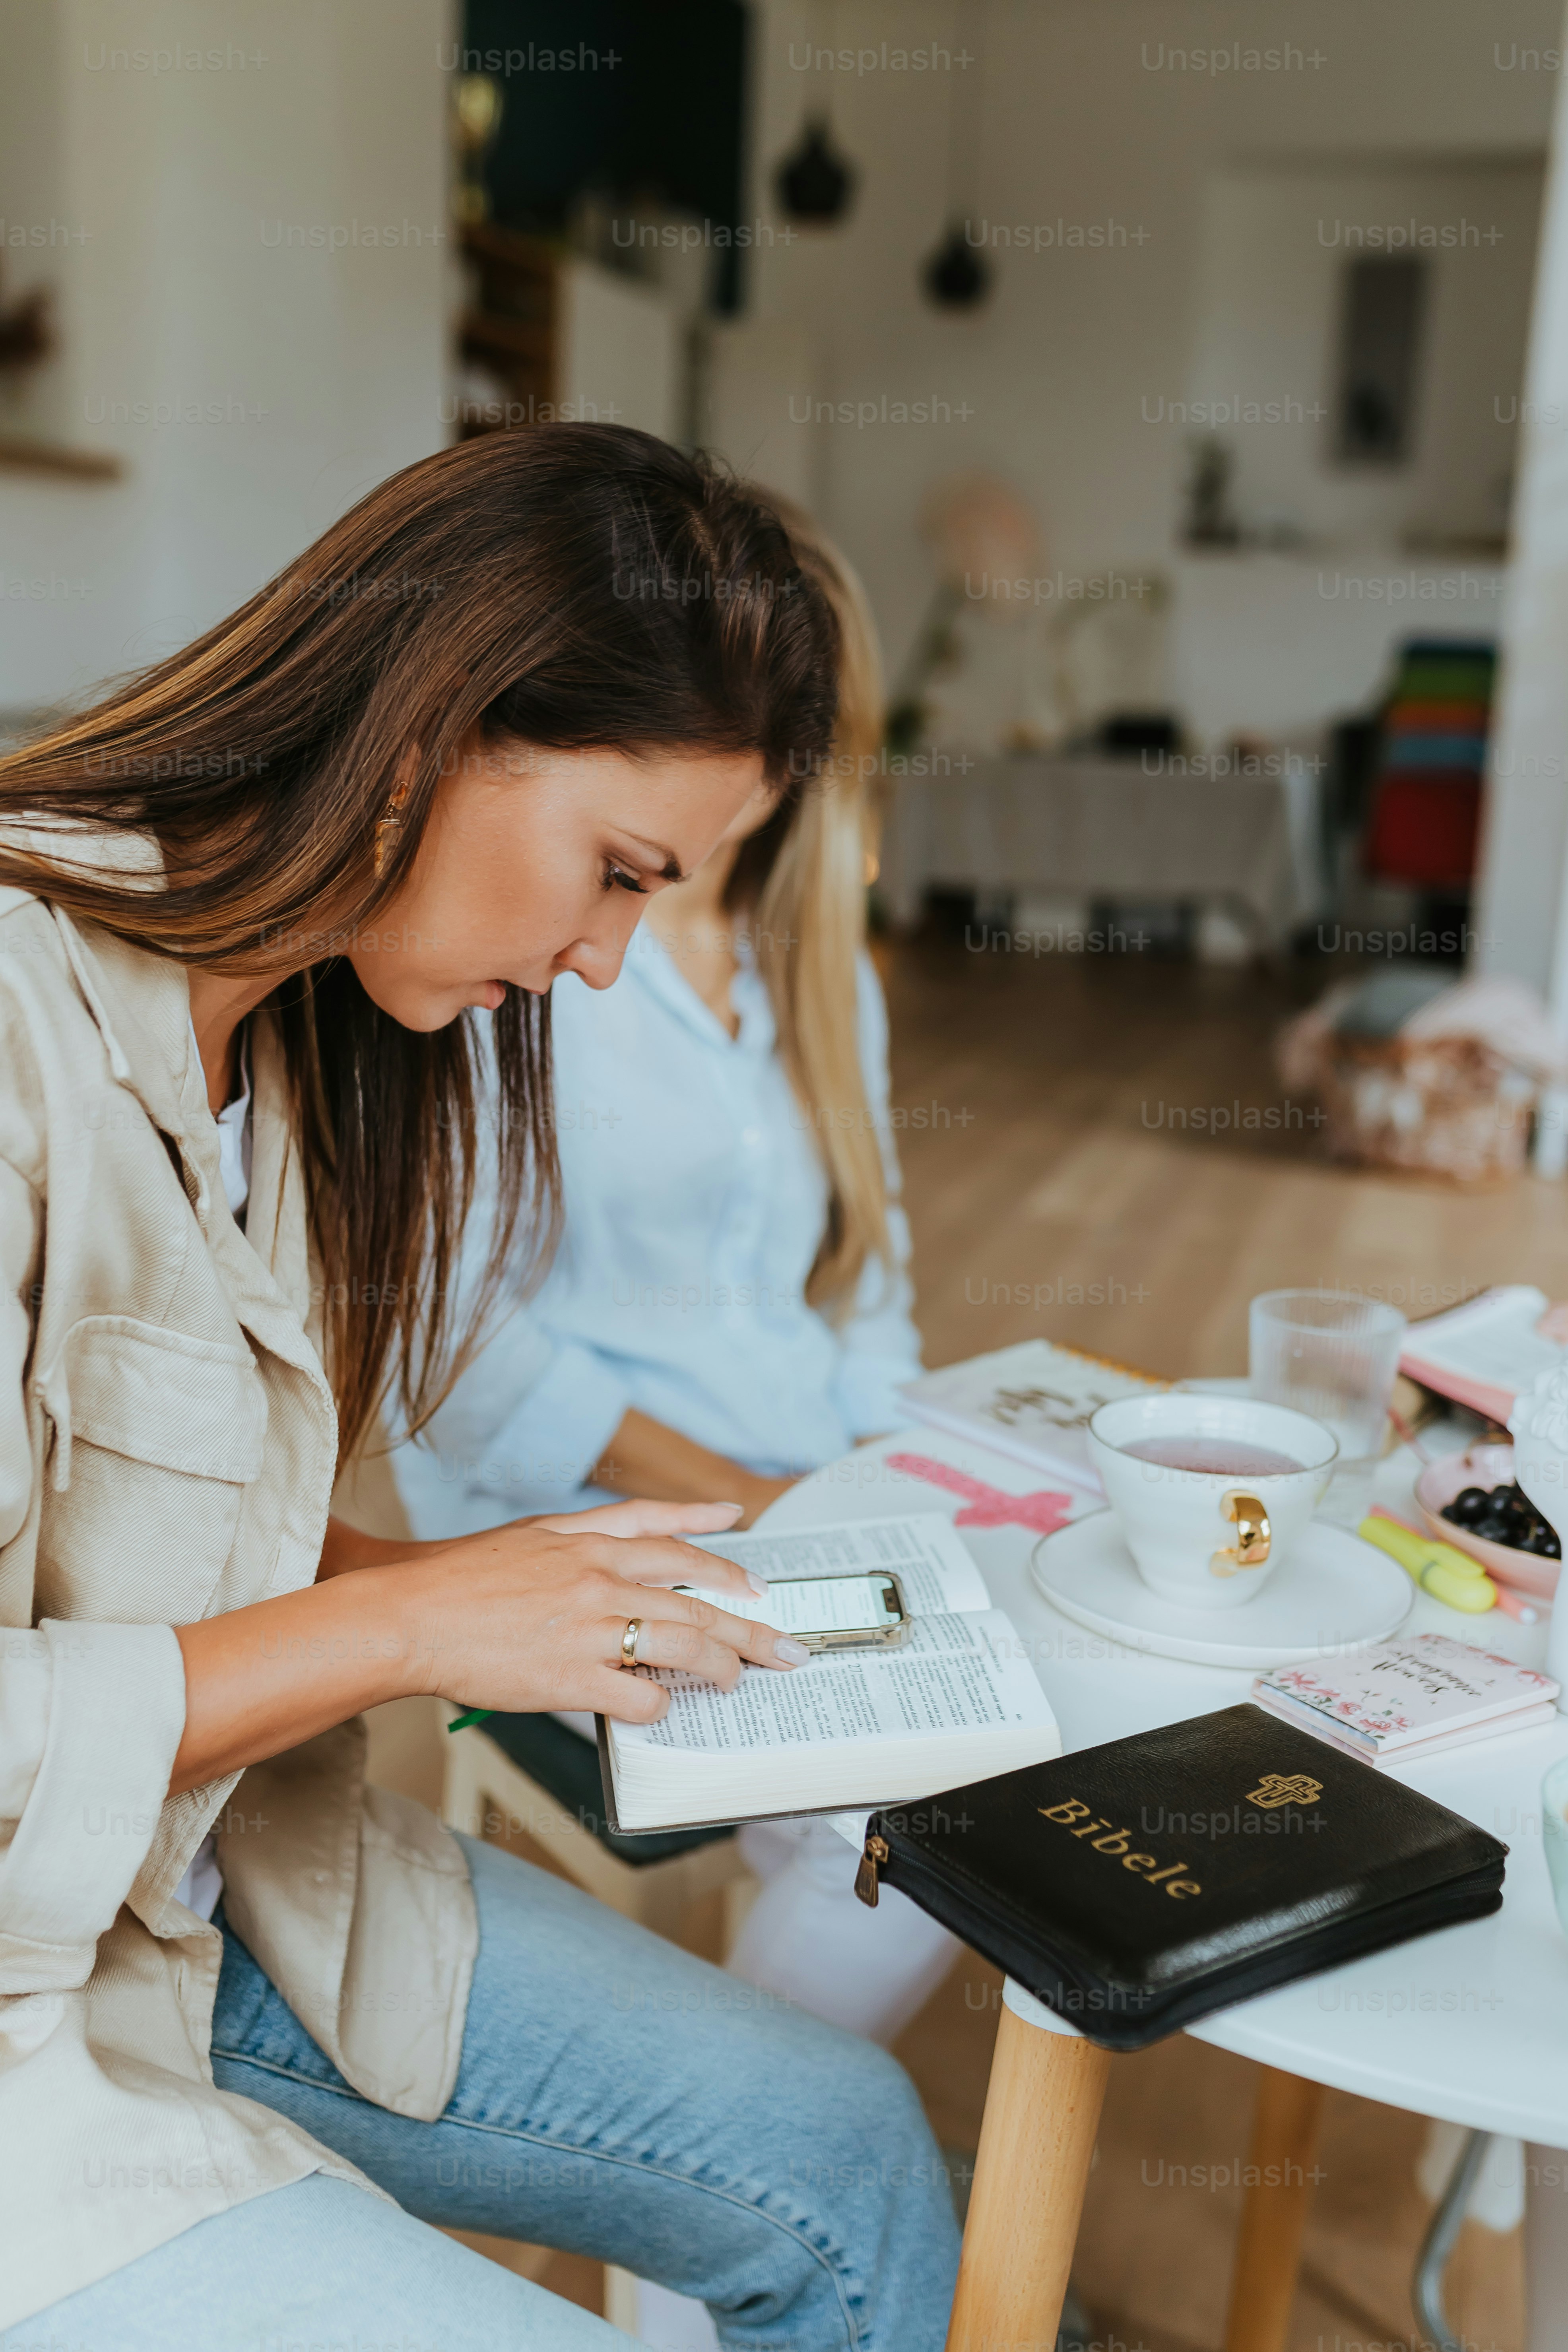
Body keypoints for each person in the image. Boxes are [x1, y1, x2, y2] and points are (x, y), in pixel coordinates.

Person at [0, 426, 961, 2351]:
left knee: (851, 2152)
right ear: (441, 721)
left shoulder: (309, 1050)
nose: (606, 960)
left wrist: (528, 1585)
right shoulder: (27, 1029)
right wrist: (412, 1619)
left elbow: (166, 1535)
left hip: (209, 1897)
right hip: (35, 2028)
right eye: (615, 873)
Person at [392, 512, 961, 2108]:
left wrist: (872, 1479)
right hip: (584, 1511)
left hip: (801, 1502)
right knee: (908, 1823)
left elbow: (869, 1268)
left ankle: (722, 2239)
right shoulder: (533, 953)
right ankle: (721, 2223)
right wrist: (760, 1498)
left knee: (993, 1758)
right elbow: (447, 1347)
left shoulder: (815, 975)